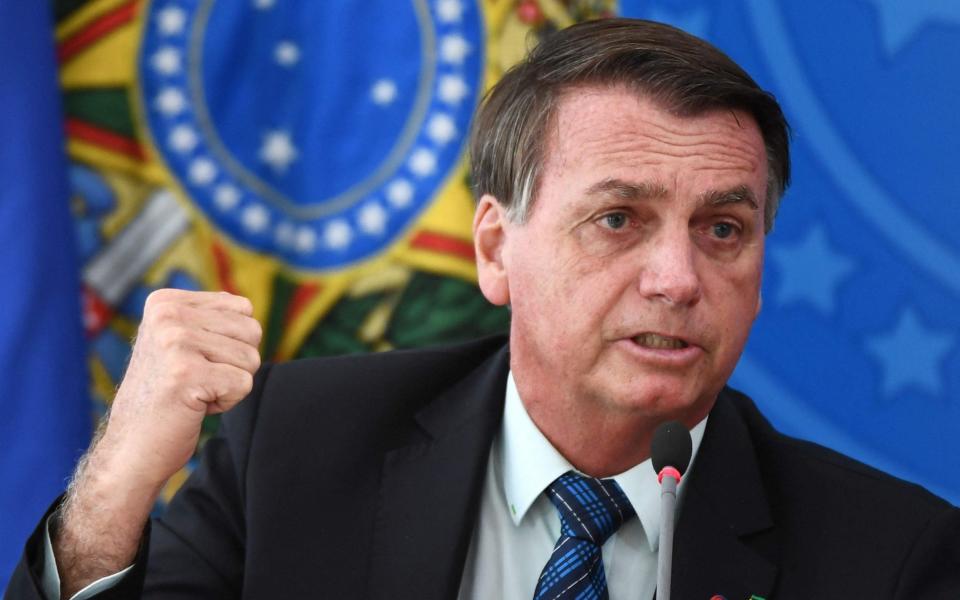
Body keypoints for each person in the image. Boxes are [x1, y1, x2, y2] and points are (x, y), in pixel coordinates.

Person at [6, 18, 960, 600]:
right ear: (496, 248)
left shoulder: (888, 558)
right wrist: (113, 490)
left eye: (723, 230)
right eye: (619, 218)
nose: (677, 278)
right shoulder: (294, 454)